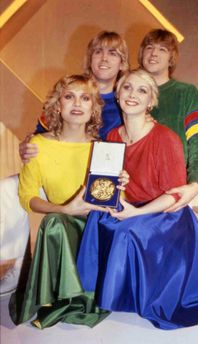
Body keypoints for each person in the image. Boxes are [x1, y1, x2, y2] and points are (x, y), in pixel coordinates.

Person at [77, 69, 198, 330]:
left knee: (127, 229)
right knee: (98, 218)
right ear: (117, 94)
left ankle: (137, 295)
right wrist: (118, 191)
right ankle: (97, 291)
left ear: (151, 102)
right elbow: (114, 185)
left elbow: (174, 197)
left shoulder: (165, 139)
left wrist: (134, 213)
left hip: (167, 214)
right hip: (134, 205)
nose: (132, 94)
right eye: (127, 88)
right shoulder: (113, 136)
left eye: (142, 90)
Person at [0, 31, 129, 296]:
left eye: (112, 53)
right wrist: (28, 144)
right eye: (98, 52)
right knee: (6, 192)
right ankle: (13, 271)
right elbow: (42, 136)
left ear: (123, 62)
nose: (104, 58)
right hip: (56, 177)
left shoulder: (127, 101)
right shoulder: (70, 90)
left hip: (101, 186)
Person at [8, 74, 128, 329]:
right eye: (69, 96)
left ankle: (75, 300)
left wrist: (121, 185)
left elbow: (114, 203)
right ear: (58, 105)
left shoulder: (103, 148)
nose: (77, 103)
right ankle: (59, 301)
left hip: (95, 225)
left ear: (93, 108)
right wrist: (64, 209)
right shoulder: (38, 145)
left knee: (62, 223)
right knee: (55, 223)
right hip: (63, 223)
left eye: (85, 98)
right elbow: (27, 197)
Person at [139, 29, 198, 212]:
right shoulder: (127, 91)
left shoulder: (185, 93)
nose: (154, 53)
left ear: (171, 58)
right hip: (134, 188)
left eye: (162, 49)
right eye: (149, 47)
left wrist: (195, 183)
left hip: (169, 190)